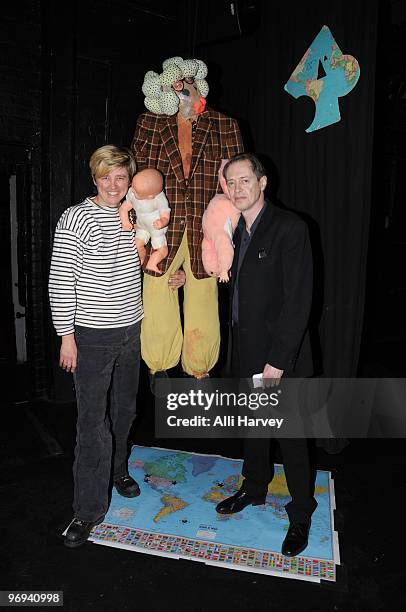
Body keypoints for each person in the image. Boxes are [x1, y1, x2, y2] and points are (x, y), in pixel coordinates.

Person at [215, 153, 317, 558]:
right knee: (254, 428)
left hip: (279, 357)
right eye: (231, 183)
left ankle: (302, 513)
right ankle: (253, 487)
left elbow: (298, 302)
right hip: (247, 349)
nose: (237, 189)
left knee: (291, 437)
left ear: (262, 182)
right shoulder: (235, 230)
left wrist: (278, 361)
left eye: (245, 180)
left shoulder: (290, 228)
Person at [48, 145, 144, 548]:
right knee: (91, 425)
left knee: (124, 410)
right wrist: (66, 336)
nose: (112, 185)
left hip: (132, 328)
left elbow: (146, 258)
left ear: (129, 179)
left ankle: (118, 470)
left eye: (120, 177)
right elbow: (61, 278)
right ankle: (87, 511)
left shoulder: (135, 211)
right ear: (94, 177)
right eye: (105, 177)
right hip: (93, 335)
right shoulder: (76, 217)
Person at [132, 56, 243, 381]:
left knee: (204, 298)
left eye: (187, 85)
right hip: (160, 228)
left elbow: (235, 183)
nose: (181, 91)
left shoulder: (225, 125)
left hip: (204, 228)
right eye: (174, 86)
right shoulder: (150, 124)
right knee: (156, 290)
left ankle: (200, 368)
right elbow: (137, 176)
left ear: (199, 88)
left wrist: (230, 226)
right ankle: (159, 366)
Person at [119, 168, 171, 274]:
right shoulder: (133, 193)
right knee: (137, 244)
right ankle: (140, 260)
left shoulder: (159, 199)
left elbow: (165, 215)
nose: (132, 190)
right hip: (142, 226)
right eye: (132, 185)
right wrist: (125, 222)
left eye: (136, 190)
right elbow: (124, 208)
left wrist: (162, 222)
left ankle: (152, 262)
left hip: (155, 228)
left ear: (150, 196)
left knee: (163, 250)